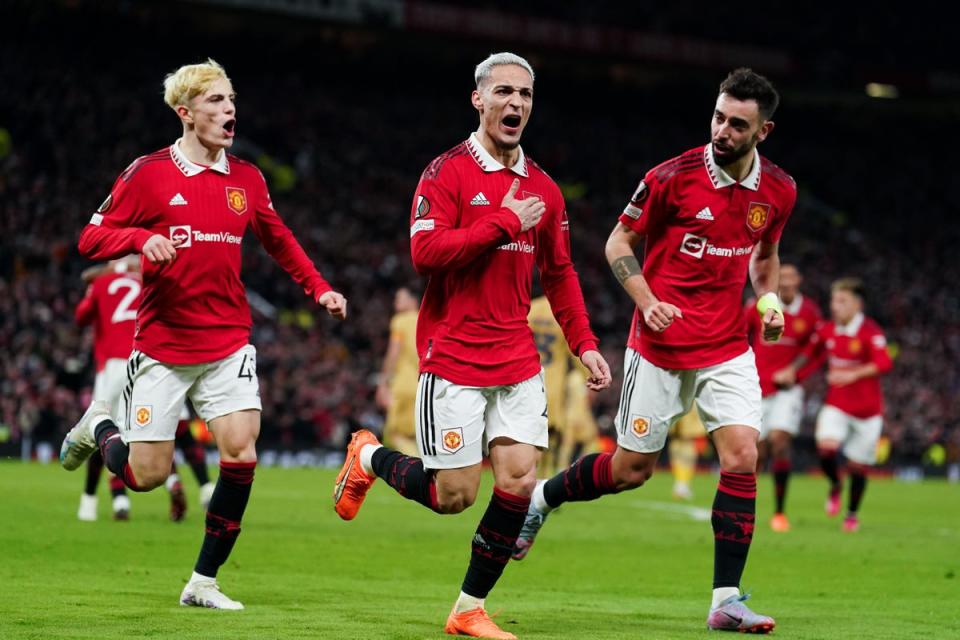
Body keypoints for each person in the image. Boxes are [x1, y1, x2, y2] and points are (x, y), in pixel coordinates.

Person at [333, 52, 611, 639]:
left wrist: (584, 343)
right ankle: (368, 458)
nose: (516, 104)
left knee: (516, 479)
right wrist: (503, 222)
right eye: (504, 92)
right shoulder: (446, 173)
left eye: (526, 95)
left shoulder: (544, 189)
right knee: (453, 496)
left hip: (516, 355)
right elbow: (425, 255)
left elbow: (560, 275)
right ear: (478, 100)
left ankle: (467, 609)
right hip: (454, 353)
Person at [512, 68, 796, 634]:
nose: (723, 131)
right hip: (660, 346)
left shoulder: (779, 190)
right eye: (719, 117)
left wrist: (767, 301)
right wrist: (645, 299)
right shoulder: (671, 177)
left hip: (726, 347)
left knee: (742, 456)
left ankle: (726, 600)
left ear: (763, 131)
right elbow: (619, 241)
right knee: (630, 471)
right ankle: (542, 498)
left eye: (738, 124)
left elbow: (765, 256)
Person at [59, 59, 346, 609]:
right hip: (163, 347)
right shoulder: (147, 173)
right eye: (216, 101)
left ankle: (203, 582)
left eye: (231, 99)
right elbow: (90, 239)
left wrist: (319, 289)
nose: (229, 109)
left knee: (241, 451)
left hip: (227, 341)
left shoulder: (247, 179)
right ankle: (99, 425)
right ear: (186, 113)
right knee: (146, 476)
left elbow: (279, 240)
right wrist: (141, 239)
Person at [74, 259, 214, 523]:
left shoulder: (101, 281)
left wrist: (92, 286)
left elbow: (81, 316)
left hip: (114, 367)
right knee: (171, 429)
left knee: (104, 431)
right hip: (152, 362)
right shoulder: (151, 280)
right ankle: (201, 485)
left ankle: (101, 502)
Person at [773, 277, 892, 532]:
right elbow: (809, 353)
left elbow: (884, 363)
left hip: (867, 411)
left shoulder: (870, 331)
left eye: (842, 301)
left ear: (857, 305)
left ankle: (851, 514)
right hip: (836, 404)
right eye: (833, 301)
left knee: (859, 467)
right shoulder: (826, 329)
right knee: (826, 449)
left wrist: (853, 374)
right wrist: (791, 371)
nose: (835, 306)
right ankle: (836, 483)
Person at [745, 263, 821, 532]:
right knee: (757, 452)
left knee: (779, 442)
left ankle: (779, 512)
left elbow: (818, 349)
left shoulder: (809, 312)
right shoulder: (759, 305)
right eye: (783, 277)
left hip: (787, 392)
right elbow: (739, 333)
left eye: (791, 277)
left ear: (798, 280)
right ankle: (745, 509)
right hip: (756, 387)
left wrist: (796, 373)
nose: (786, 282)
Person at [528, 293, 583, 476]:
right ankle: (543, 478)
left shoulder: (530, 309)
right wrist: (588, 376)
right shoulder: (561, 313)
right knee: (550, 436)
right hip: (553, 384)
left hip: (528, 378)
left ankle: (528, 476)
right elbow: (575, 350)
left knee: (527, 434)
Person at [375, 287, 421, 456]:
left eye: (400, 298)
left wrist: (383, 383)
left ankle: (423, 472)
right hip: (422, 385)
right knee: (416, 435)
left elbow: (393, 353)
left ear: (413, 301)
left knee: (394, 434)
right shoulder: (426, 319)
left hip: (403, 386)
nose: (396, 303)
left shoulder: (400, 321)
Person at [667, 405, 707, 501]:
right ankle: (682, 485)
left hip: (679, 435)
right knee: (685, 460)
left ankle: (681, 484)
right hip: (688, 436)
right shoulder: (693, 403)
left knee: (679, 459)